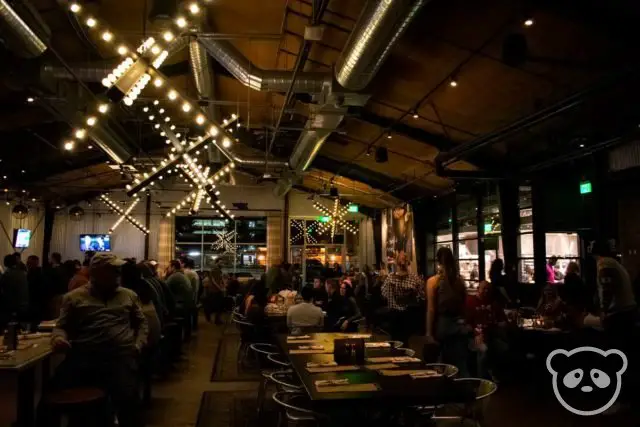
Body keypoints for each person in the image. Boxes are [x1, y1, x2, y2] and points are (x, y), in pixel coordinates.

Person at [46, 254, 148, 427]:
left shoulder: (128, 295)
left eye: (118, 270)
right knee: (52, 401)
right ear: (97, 273)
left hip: (120, 358)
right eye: (113, 270)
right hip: (85, 359)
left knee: (130, 406)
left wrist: (138, 344)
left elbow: (141, 323)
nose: (118, 273)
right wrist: (58, 338)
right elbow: (61, 326)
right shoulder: (74, 298)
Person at [426, 247, 469, 377]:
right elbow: (464, 306)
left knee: (441, 364)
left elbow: (431, 309)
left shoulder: (433, 281)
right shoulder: (460, 281)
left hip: (442, 326)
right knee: (459, 363)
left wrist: (428, 333)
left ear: (438, 262)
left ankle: (443, 390)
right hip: (458, 325)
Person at [591, 240, 637, 334]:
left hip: (619, 313)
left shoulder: (605, 263)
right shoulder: (614, 263)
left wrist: (604, 310)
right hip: (627, 310)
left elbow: (607, 287)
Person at [466, 281, 508, 379]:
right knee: (483, 350)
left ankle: (494, 373)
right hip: (474, 336)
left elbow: (504, 322)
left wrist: (497, 324)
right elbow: (466, 323)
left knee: (504, 348)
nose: (486, 291)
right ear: (478, 289)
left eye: (488, 289)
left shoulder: (494, 304)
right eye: (484, 289)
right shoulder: (470, 301)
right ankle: (481, 380)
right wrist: (475, 333)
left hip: (491, 336)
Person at [381, 250, 424, 346]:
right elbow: (421, 295)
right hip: (398, 314)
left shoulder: (411, 278)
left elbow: (421, 295)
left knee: (401, 340)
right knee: (399, 340)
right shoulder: (392, 278)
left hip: (406, 314)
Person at [0, 253, 29, 324]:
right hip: (25, 304)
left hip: (13, 306)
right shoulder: (23, 273)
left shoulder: (7, 275)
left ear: (5, 263)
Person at [26, 255, 46, 322]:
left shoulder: (31, 274)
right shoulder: (42, 272)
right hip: (41, 301)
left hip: (34, 300)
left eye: (28, 263)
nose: (27, 264)